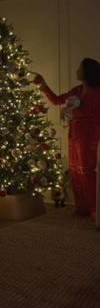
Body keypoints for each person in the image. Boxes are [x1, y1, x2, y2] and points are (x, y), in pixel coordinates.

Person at [33, 58, 100, 221]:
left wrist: (69, 112)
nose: (77, 71)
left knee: (87, 171)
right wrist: (43, 85)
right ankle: (82, 206)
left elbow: (91, 113)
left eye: (80, 68)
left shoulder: (97, 91)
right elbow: (57, 100)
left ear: (87, 72)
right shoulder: (77, 90)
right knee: (75, 170)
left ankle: (94, 208)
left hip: (90, 136)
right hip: (75, 135)